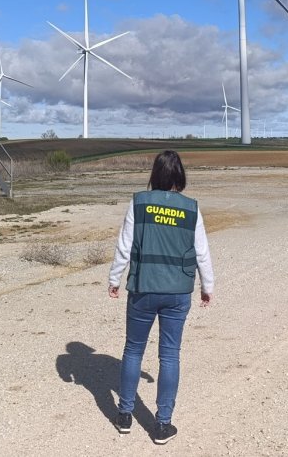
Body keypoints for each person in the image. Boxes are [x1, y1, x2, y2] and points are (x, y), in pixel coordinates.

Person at [108, 149, 215, 445]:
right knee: (169, 354)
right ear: (180, 176)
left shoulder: (139, 203)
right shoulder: (191, 208)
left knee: (133, 350)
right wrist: (208, 286)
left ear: (154, 175)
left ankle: (125, 415)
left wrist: (114, 278)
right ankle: (162, 424)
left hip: (143, 288)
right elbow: (202, 252)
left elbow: (124, 246)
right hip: (177, 293)